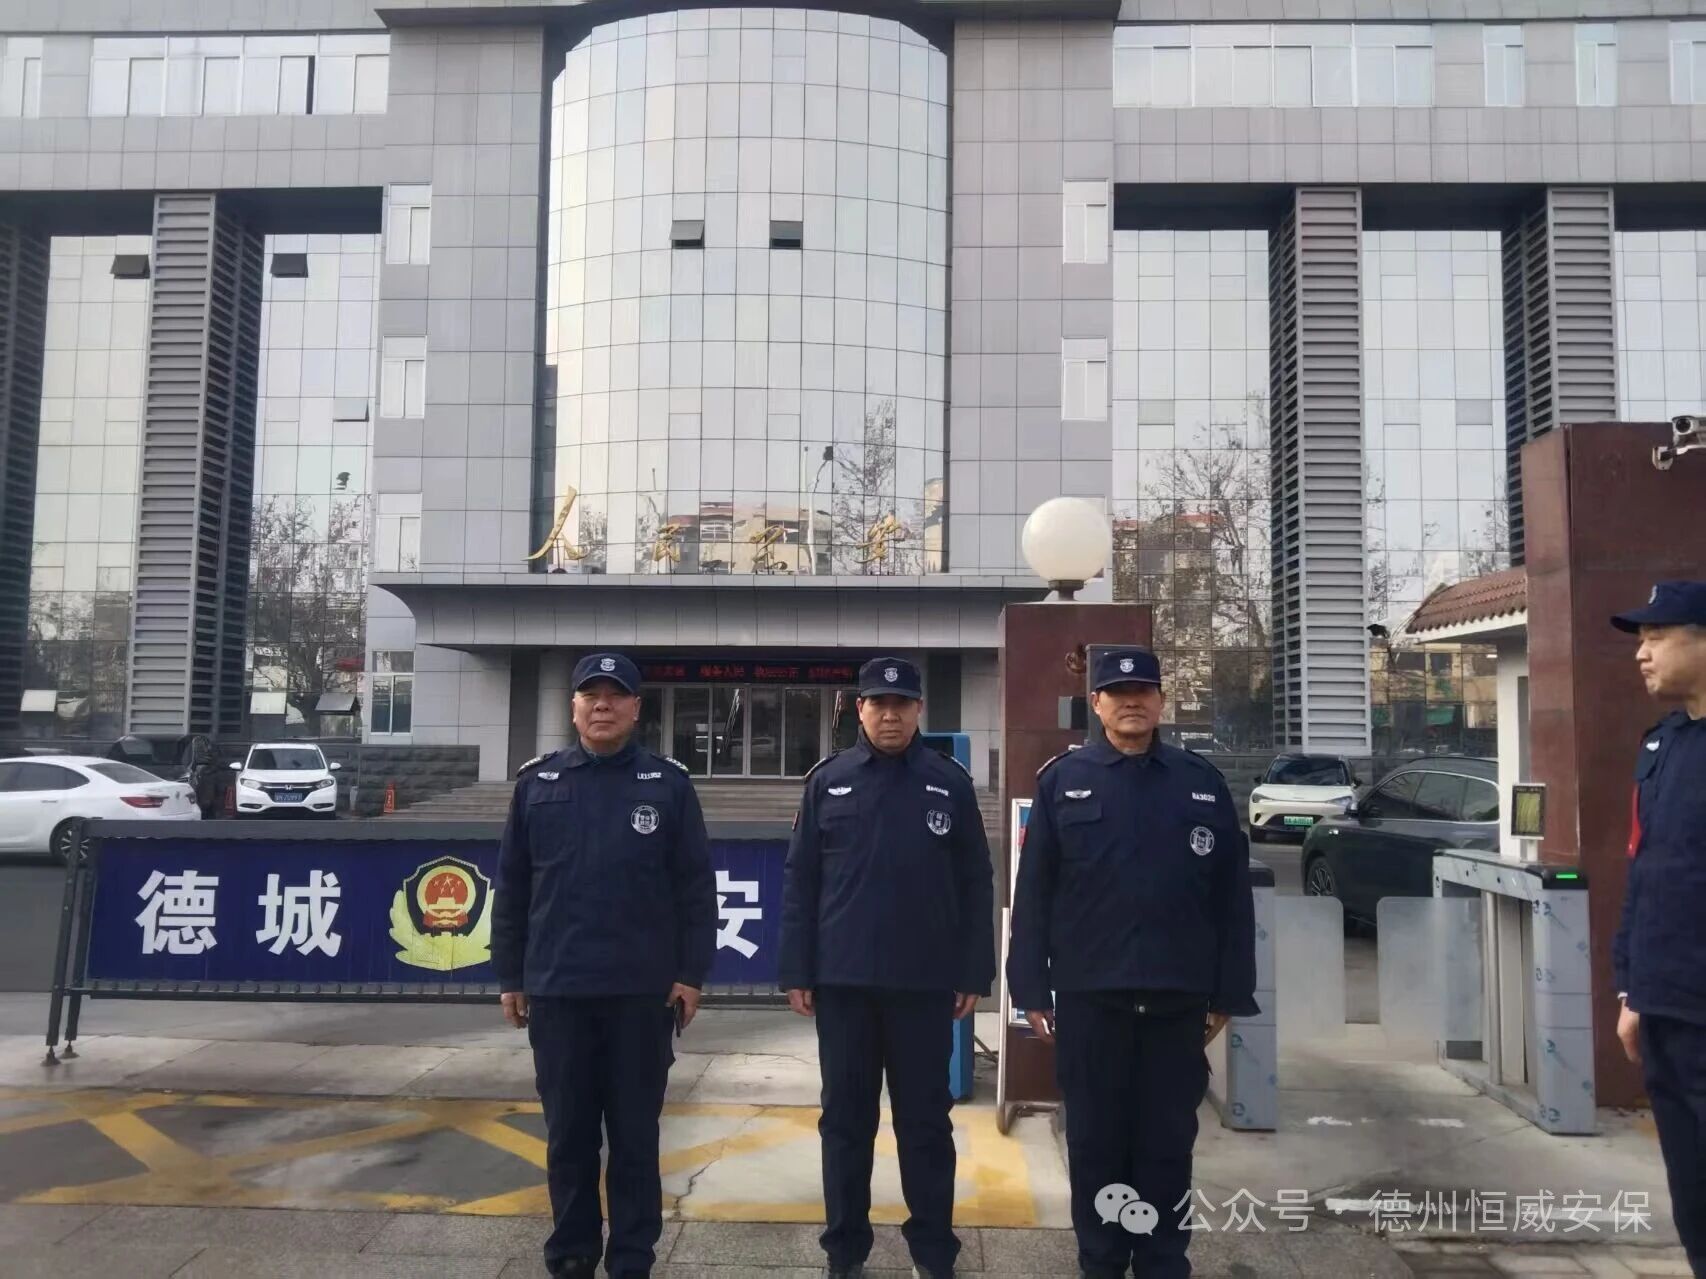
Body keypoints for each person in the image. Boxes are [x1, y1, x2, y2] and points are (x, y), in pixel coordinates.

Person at [1007, 646, 1257, 1279]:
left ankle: (1163, 1263)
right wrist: (1029, 988)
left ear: (1161, 701)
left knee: (1167, 1146)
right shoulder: (1064, 781)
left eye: (1143, 690)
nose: (1131, 702)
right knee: (1095, 1145)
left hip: (1177, 1001)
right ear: (1096, 703)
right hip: (1093, 1001)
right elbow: (1034, 895)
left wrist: (1230, 992)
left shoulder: (1200, 782)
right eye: (1118, 693)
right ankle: (1101, 1261)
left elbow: (1231, 898)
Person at [493, 652, 716, 1279]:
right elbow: (513, 888)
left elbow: (696, 888)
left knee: (635, 1139)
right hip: (559, 991)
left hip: (641, 996)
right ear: (573, 707)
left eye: (615, 695)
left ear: (636, 708)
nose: (602, 705)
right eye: (590, 694)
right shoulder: (537, 784)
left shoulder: (667, 786)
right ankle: (571, 1254)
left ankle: (631, 1258)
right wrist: (511, 976)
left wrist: (691, 974)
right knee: (568, 1137)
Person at [779, 655, 996, 1279]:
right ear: (860, 709)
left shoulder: (948, 783)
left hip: (923, 987)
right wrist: (797, 970)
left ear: (919, 709)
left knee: (925, 1126)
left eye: (902, 704)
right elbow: (801, 881)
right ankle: (845, 1252)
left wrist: (973, 972)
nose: (890, 714)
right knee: (845, 1125)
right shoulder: (829, 781)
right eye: (878, 703)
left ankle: (933, 1252)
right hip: (844, 986)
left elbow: (974, 881)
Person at [1612, 582, 1706, 1278]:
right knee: (1692, 1190)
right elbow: (1642, 869)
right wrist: (1630, 988)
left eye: (1657, 637)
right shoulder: (1662, 742)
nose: (1641, 653)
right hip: (1664, 1006)